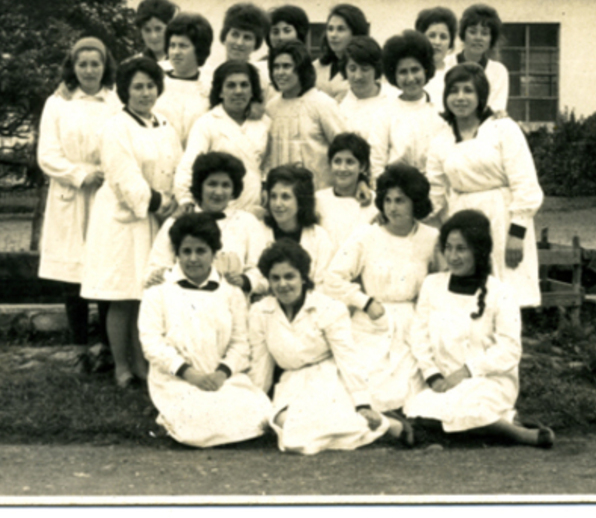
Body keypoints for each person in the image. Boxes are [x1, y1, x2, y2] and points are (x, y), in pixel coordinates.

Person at [404, 210, 554, 449]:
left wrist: (466, 372)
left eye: (461, 249)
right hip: (443, 380)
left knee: (467, 407)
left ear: (479, 250)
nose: (453, 256)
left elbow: (509, 350)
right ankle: (497, 426)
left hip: (489, 380)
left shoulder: (501, 293)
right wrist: (433, 376)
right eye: (448, 248)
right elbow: (419, 337)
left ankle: (516, 434)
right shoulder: (432, 285)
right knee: (418, 408)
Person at [249, 239, 412, 455]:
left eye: (289, 276)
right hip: (291, 382)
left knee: (316, 426)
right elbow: (261, 365)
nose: (283, 284)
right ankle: (379, 428)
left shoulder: (329, 308)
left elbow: (347, 357)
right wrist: (258, 406)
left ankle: (387, 424)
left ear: (303, 277)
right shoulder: (260, 312)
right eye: (275, 278)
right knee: (288, 424)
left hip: (329, 378)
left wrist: (362, 403)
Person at [81, 56, 182, 388]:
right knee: (123, 293)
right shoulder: (115, 127)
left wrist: (174, 201)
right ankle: (121, 365)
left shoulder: (165, 125)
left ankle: (142, 362)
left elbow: (176, 167)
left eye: (150, 86)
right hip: (122, 221)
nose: (145, 93)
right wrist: (157, 202)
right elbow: (124, 177)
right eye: (137, 87)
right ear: (125, 91)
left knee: (146, 292)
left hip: (156, 220)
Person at [139, 213, 272, 448]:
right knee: (195, 421)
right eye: (186, 251)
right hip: (177, 379)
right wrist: (190, 374)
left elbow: (240, 343)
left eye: (201, 251)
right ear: (176, 254)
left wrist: (221, 374)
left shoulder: (231, 292)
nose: (193, 259)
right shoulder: (158, 291)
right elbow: (152, 344)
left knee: (258, 413)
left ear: (213, 252)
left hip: (220, 377)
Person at [324, 163, 441, 414]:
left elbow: (440, 283)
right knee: (362, 387)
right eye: (387, 200)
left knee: (413, 393)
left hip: (413, 324)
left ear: (415, 202)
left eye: (400, 200)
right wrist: (364, 302)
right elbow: (333, 279)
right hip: (371, 322)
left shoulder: (431, 238)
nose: (392, 207)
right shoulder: (366, 236)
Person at [426, 62, 543, 308]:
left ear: (481, 95)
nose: (460, 97)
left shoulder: (503, 129)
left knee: (505, 297)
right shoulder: (440, 140)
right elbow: (434, 194)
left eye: (468, 90)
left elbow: (525, 183)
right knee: (467, 298)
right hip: (463, 220)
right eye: (454, 91)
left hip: (502, 220)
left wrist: (517, 233)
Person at [37, 37, 120, 373]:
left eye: (95, 64)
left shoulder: (115, 102)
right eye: (82, 64)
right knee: (72, 276)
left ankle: (105, 347)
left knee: (103, 271)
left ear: (105, 66)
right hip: (70, 196)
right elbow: (47, 154)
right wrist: (78, 174)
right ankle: (78, 347)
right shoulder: (58, 104)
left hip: (104, 194)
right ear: (72, 67)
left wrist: (105, 174)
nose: (88, 70)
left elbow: (122, 145)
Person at [146, 152, 267, 297]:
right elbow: (155, 268)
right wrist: (161, 276)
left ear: (234, 189)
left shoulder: (247, 222)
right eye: (212, 184)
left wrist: (245, 281)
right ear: (200, 186)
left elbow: (262, 272)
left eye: (226, 185)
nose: (218, 192)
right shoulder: (178, 220)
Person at [174, 60, 270, 215]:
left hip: (253, 211)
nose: (238, 91)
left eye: (244, 85)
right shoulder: (207, 123)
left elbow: (266, 164)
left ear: (252, 91)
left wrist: (265, 186)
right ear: (220, 92)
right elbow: (188, 165)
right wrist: (186, 199)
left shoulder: (263, 123)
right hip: (218, 210)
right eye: (231, 85)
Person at [265, 40, 346, 191]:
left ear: (301, 68)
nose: (280, 72)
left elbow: (344, 148)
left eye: (287, 66)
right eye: (276, 67)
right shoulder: (271, 108)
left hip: (320, 193)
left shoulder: (322, 104)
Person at [370, 30, 450, 179]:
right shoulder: (384, 114)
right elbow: (376, 164)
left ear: (426, 70)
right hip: (396, 188)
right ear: (394, 75)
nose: (410, 78)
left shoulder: (441, 110)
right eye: (403, 72)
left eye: (415, 70)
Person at [260, 165, 334, 289]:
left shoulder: (319, 237)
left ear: (301, 201)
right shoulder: (257, 231)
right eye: (273, 196)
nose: (277, 204)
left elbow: (321, 285)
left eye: (285, 197)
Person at [153, 12, 213, 146]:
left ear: (199, 49)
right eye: (172, 45)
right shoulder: (155, 81)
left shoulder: (210, 86)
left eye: (183, 46)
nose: (175, 52)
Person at [316, 133, 378, 253]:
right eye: (337, 161)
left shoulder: (374, 202)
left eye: (350, 162)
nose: (342, 168)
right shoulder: (319, 199)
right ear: (330, 164)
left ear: (363, 167)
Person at [454, 3, 509, 115]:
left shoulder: (498, 71)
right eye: (472, 32)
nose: (478, 38)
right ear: (463, 34)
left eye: (484, 33)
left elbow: (496, 110)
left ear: (491, 39)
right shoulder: (446, 64)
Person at [338, 36, 394, 142]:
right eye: (352, 69)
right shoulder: (339, 107)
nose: (358, 76)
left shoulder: (394, 98)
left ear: (376, 69)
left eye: (365, 69)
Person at [313, 4, 369, 102]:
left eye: (341, 29)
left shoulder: (366, 68)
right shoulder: (316, 66)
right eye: (330, 29)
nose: (333, 35)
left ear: (356, 33)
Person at [415, 6, 458, 114]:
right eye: (432, 35)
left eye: (443, 37)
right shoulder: (409, 73)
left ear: (450, 43)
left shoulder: (456, 75)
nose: (437, 42)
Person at [134, 0, 178, 67]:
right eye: (147, 30)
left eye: (158, 29)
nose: (153, 36)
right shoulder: (135, 65)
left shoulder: (186, 64)